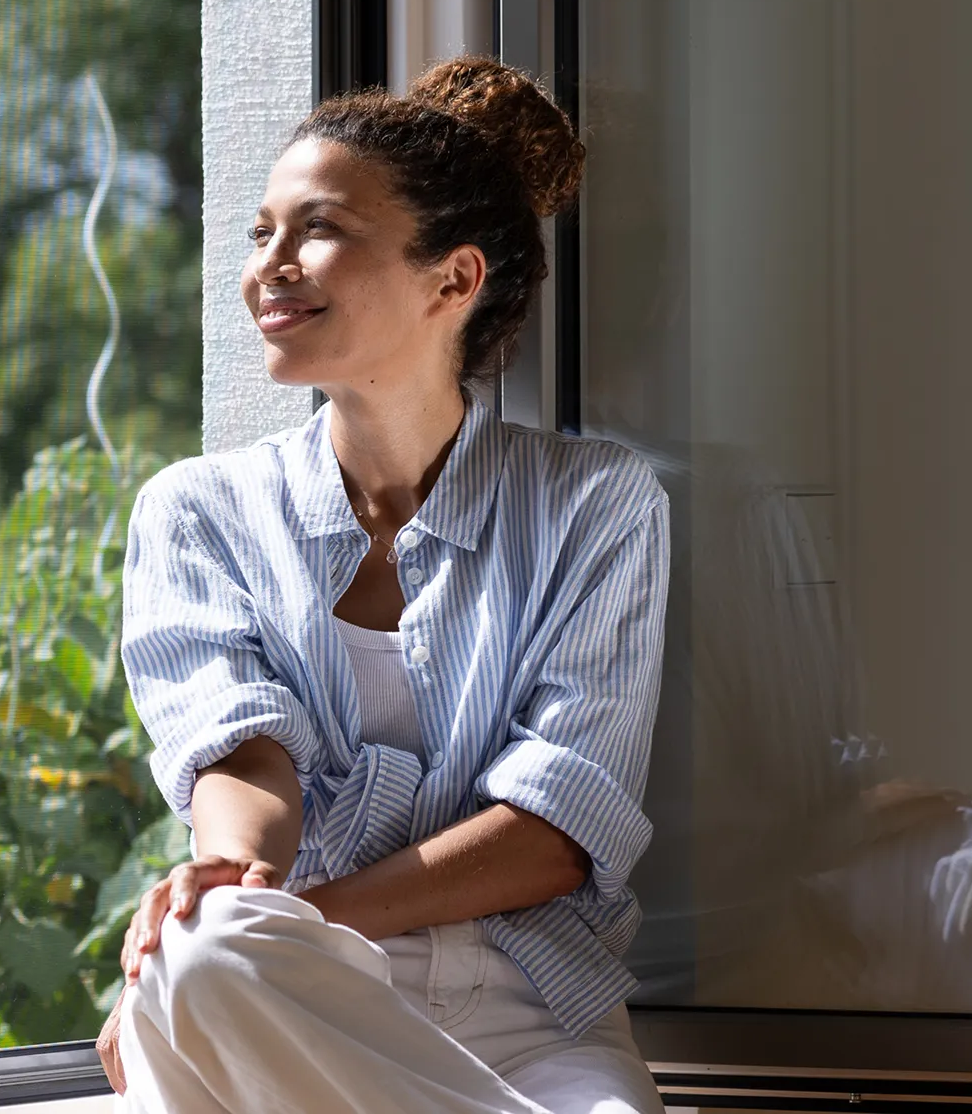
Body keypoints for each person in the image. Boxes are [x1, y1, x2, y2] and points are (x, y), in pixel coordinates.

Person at [96, 57, 670, 1114]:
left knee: (217, 962)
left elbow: (554, 826)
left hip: (529, 1012)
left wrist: (300, 916)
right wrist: (222, 882)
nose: (269, 265)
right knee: (206, 946)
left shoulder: (597, 502)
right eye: (260, 231)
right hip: (305, 997)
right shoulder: (198, 510)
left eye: (315, 229)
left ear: (451, 281)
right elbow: (244, 756)